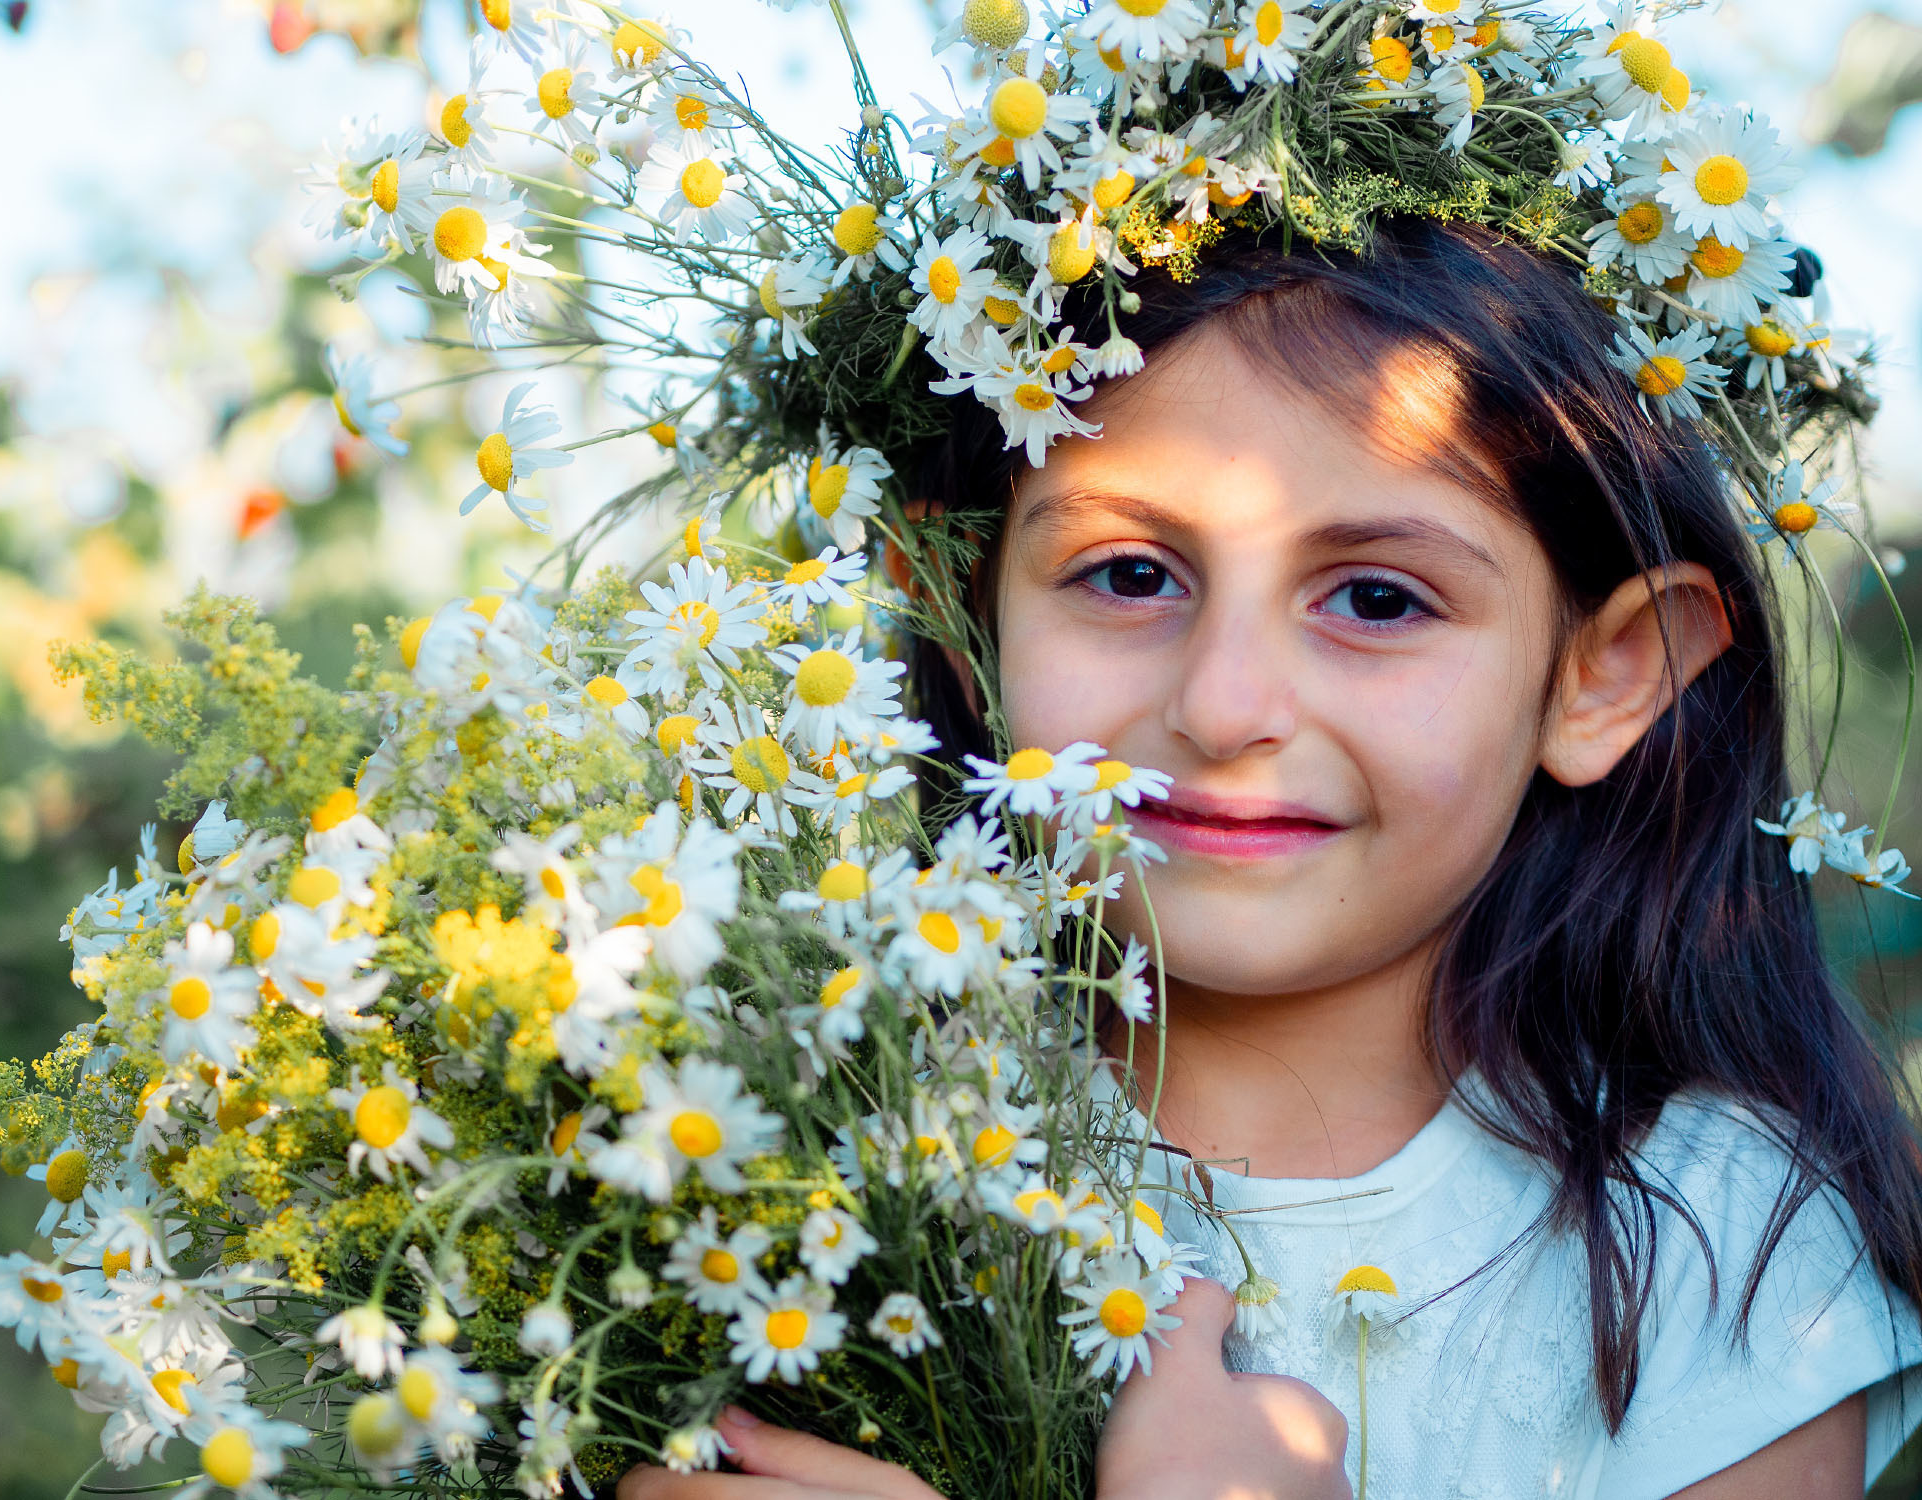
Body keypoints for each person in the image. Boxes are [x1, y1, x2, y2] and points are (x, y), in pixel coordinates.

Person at [616, 220, 1922, 1498]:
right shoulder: (776, 1128)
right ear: (952, 603)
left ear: (1605, 674)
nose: (1228, 705)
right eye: (1129, 574)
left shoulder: (1725, 1266)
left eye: (1375, 599)